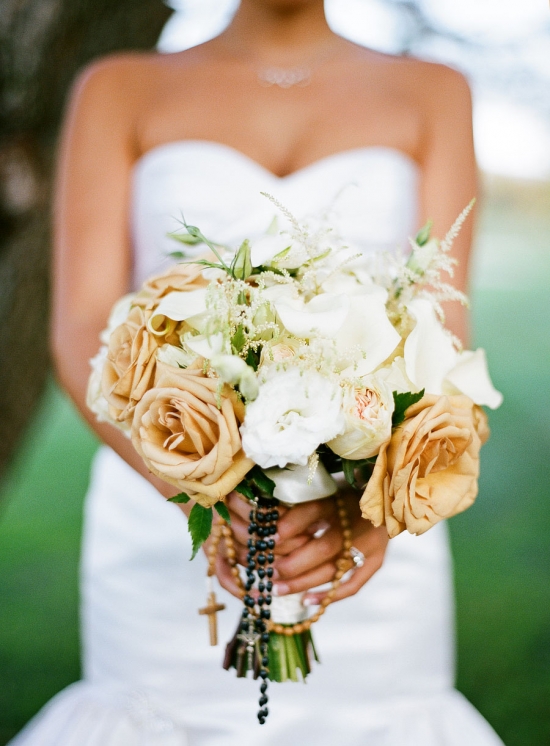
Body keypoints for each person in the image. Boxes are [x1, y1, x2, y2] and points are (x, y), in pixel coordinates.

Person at [10, 0, 504, 743]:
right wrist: (196, 489)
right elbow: (82, 327)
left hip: (364, 521)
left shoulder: (433, 91)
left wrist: (378, 514)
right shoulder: (119, 87)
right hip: (159, 507)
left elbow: (445, 335)